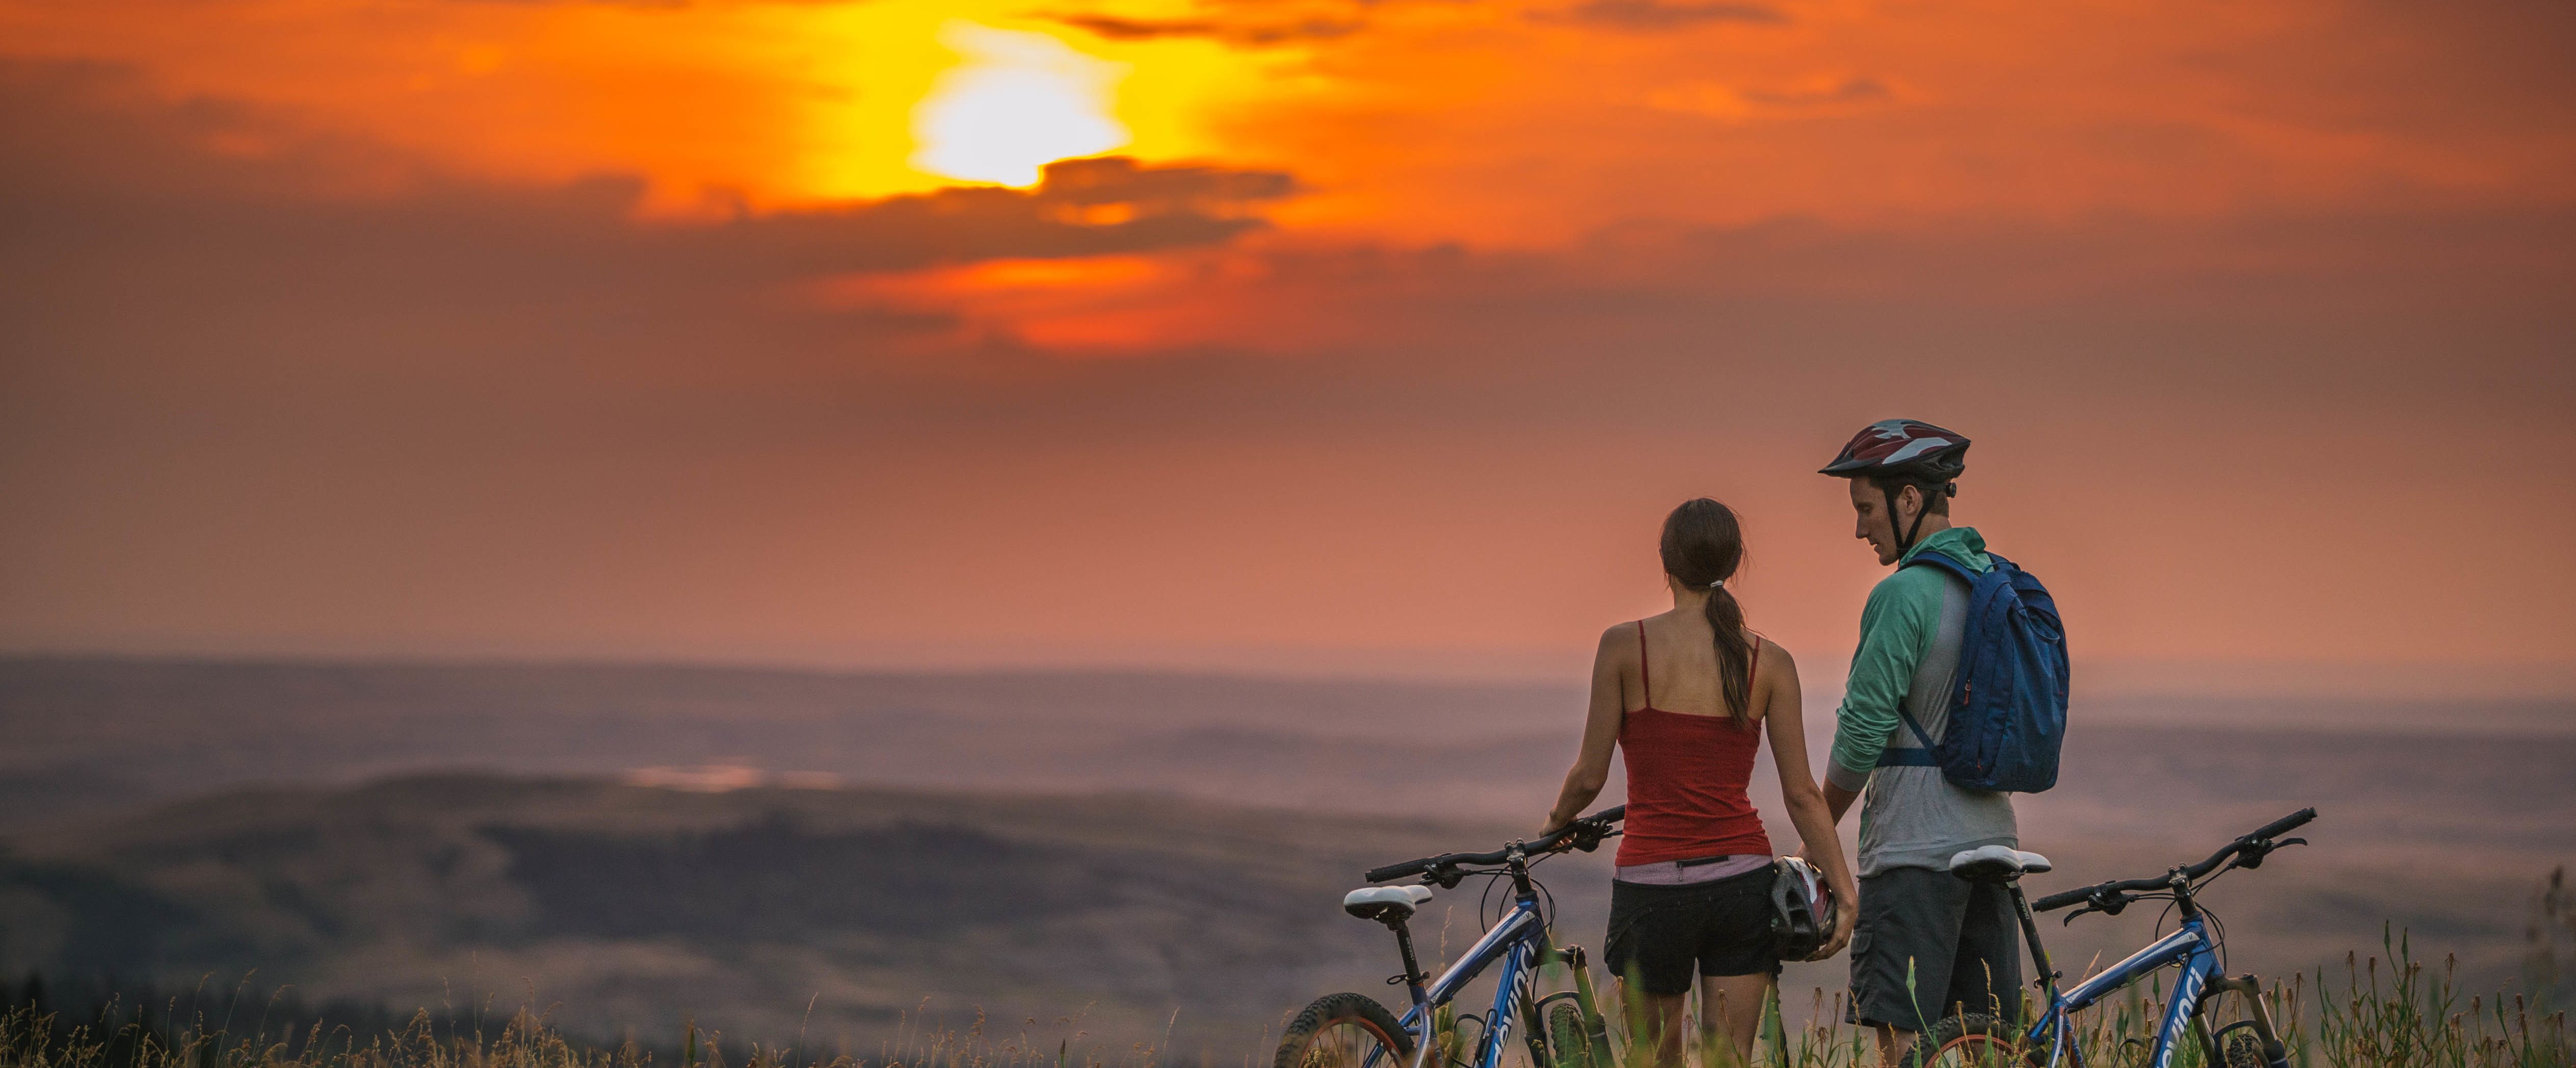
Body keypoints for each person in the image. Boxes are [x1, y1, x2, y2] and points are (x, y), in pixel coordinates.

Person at [1543, 498, 1858, 1068]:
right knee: (1729, 1057)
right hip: (1740, 881)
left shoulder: (1624, 646)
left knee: (1653, 1058)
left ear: (1664, 562)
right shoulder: (1770, 661)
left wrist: (1554, 824)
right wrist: (1844, 889)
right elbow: (1802, 794)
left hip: (1652, 884)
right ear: (1735, 562)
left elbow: (1589, 775)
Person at [1814, 419, 2023, 1065]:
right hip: (1993, 844)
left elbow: (1862, 730)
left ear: (1910, 499)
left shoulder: (1902, 594)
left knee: (1903, 1050)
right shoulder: (1997, 586)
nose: (1859, 527)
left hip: (1913, 853)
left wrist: (1816, 834)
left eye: (1866, 508)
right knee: (1988, 1047)